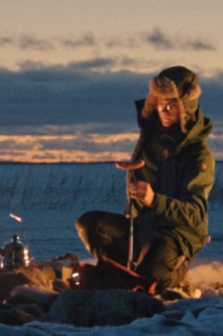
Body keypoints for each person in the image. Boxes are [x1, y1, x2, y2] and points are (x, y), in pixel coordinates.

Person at [76, 65, 214, 292]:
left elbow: (195, 213)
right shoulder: (149, 141)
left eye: (172, 104)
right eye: (160, 104)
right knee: (90, 224)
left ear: (186, 107)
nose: (165, 110)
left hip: (175, 234)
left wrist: (154, 200)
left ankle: (175, 273)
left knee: (146, 283)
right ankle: (120, 271)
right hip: (142, 226)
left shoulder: (197, 154)